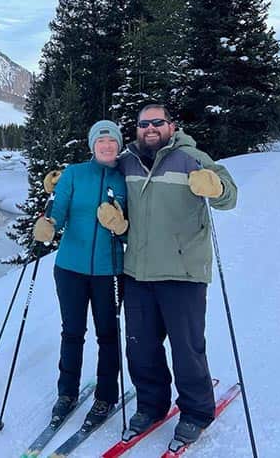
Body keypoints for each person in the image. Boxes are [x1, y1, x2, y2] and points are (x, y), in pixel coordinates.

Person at [97, 104, 237, 447]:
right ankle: (151, 405)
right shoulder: (128, 160)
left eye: (158, 122)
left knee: (186, 348)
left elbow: (230, 197)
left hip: (183, 271)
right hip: (139, 271)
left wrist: (215, 187)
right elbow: (126, 208)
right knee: (141, 347)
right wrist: (121, 224)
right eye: (144, 123)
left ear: (171, 126)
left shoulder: (191, 157)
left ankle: (196, 411)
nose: (150, 128)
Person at [33, 120, 128, 430]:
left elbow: (132, 229)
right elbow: (58, 210)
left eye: (111, 141)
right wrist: (49, 224)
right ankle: (67, 393)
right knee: (72, 332)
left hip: (109, 271)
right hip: (70, 268)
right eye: (100, 141)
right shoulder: (74, 173)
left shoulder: (125, 178)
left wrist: (121, 226)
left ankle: (105, 395)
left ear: (118, 145)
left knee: (108, 334)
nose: (106, 146)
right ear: (92, 146)